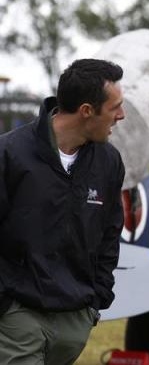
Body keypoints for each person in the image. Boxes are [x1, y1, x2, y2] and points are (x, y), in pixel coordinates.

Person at [0, 59, 126, 364]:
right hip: (18, 315)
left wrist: (95, 302)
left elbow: (109, 235)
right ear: (86, 111)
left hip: (76, 320)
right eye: (115, 107)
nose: (121, 115)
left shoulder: (109, 162)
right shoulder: (9, 154)